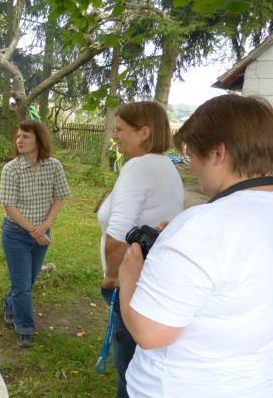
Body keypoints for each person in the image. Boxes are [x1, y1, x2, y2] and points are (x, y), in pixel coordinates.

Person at [119, 94, 273, 397]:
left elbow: (150, 333)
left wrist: (130, 278)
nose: (191, 168)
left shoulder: (202, 226)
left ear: (217, 153)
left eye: (191, 156)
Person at [96, 101, 184, 397]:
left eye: (120, 129)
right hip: (154, 280)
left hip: (130, 284)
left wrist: (110, 277)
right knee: (140, 366)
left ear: (143, 132)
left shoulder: (138, 166)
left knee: (129, 372)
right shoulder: (165, 165)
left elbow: (117, 236)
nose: (114, 135)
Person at [0, 120, 71, 348]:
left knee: (27, 281)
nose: (19, 140)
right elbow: (9, 206)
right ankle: (24, 328)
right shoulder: (11, 169)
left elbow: (59, 197)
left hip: (42, 232)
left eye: (25, 137)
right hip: (16, 234)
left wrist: (45, 226)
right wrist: (33, 230)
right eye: (18, 136)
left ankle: (10, 304)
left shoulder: (54, 166)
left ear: (39, 140)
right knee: (22, 286)